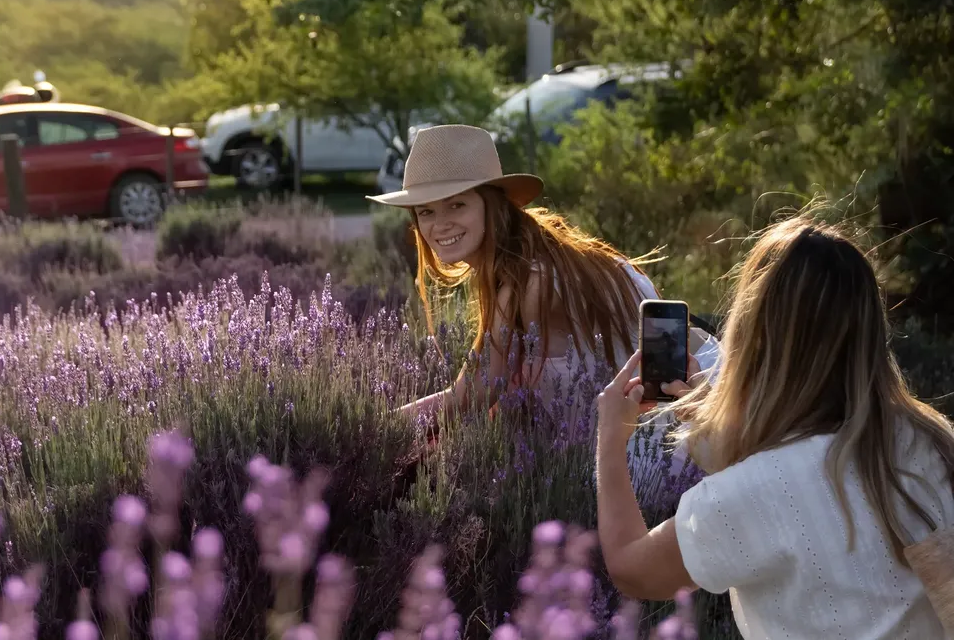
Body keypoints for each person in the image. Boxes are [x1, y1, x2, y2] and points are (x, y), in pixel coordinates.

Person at [595, 215, 954, 638]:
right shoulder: (932, 441)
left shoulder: (751, 494)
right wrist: (716, 421)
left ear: (754, 337)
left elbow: (632, 568)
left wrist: (610, 441)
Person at [367, 123, 720, 466]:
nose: (439, 223)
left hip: (684, 427)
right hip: (673, 413)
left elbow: (472, 394)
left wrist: (367, 432)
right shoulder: (536, 255)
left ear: (494, 206)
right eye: (426, 211)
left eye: (456, 205)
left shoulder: (532, 279)